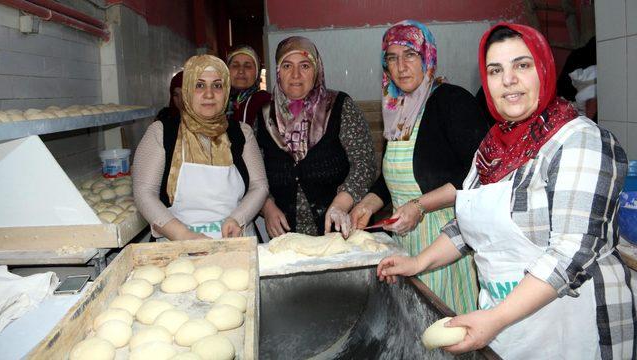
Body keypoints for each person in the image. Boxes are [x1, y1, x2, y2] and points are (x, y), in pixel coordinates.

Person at [377, 23, 635, 359]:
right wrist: (417, 262)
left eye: (522, 65)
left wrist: (496, 318)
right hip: (511, 331)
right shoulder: (494, 146)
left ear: (543, 69)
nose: (508, 80)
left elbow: (571, 253)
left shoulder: (580, 141)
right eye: (495, 70)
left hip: (570, 329)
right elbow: (467, 224)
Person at [348, 20, 488, 314]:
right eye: (392, 58)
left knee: (444, 321)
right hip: (404, 238)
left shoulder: (451, 101)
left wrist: (420, 206)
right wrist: (368, 205)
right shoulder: (397, 110)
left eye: (410, 55)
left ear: (427, 57)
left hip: (447, 240)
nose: (401, 66)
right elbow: (393, 177)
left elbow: (478, 175)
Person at [133, 55, 268, 240]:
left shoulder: (241, 133)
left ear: (226, 90)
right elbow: (144, 193)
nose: (209, 94)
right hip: (177, 246)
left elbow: (259, 186)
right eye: (200, 85)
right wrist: (185, 236)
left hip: (235, 242)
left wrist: (237, 219)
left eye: (217, 85)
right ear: (187, 89)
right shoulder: (162, 133)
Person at [257, 36, 376, 238]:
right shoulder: (265, 117)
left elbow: (364, 164)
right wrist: (267, 207)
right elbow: (254, 175)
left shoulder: (339, 106)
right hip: (287, 236)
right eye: (287, 66)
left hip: (341, 229)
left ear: (317, 69)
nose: (296, 74)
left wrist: (341, 204)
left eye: (304, 66)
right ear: (277, 72)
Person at [226, 45, 271, 126]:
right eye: (235, 66)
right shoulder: (216, 102)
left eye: (247, 66)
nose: (241, 71)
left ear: (257, 73)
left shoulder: (265, 102)